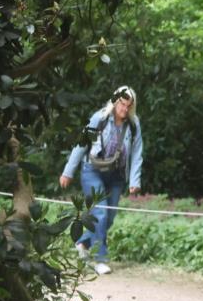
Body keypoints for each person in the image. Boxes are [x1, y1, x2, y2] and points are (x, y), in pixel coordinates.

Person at [59, 85, 143, 275]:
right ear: (115, 101)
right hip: (92, 171)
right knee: (101, 214)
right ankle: (100, 260)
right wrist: (68, 172)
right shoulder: (99, 118)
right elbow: (81, 144)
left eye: (129, 105)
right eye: (122, 104)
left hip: (117, 175)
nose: (124, 109)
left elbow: (137, 152)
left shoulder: (134, 124)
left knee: (108, 218)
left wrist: (134, 181)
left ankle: (82, 242)